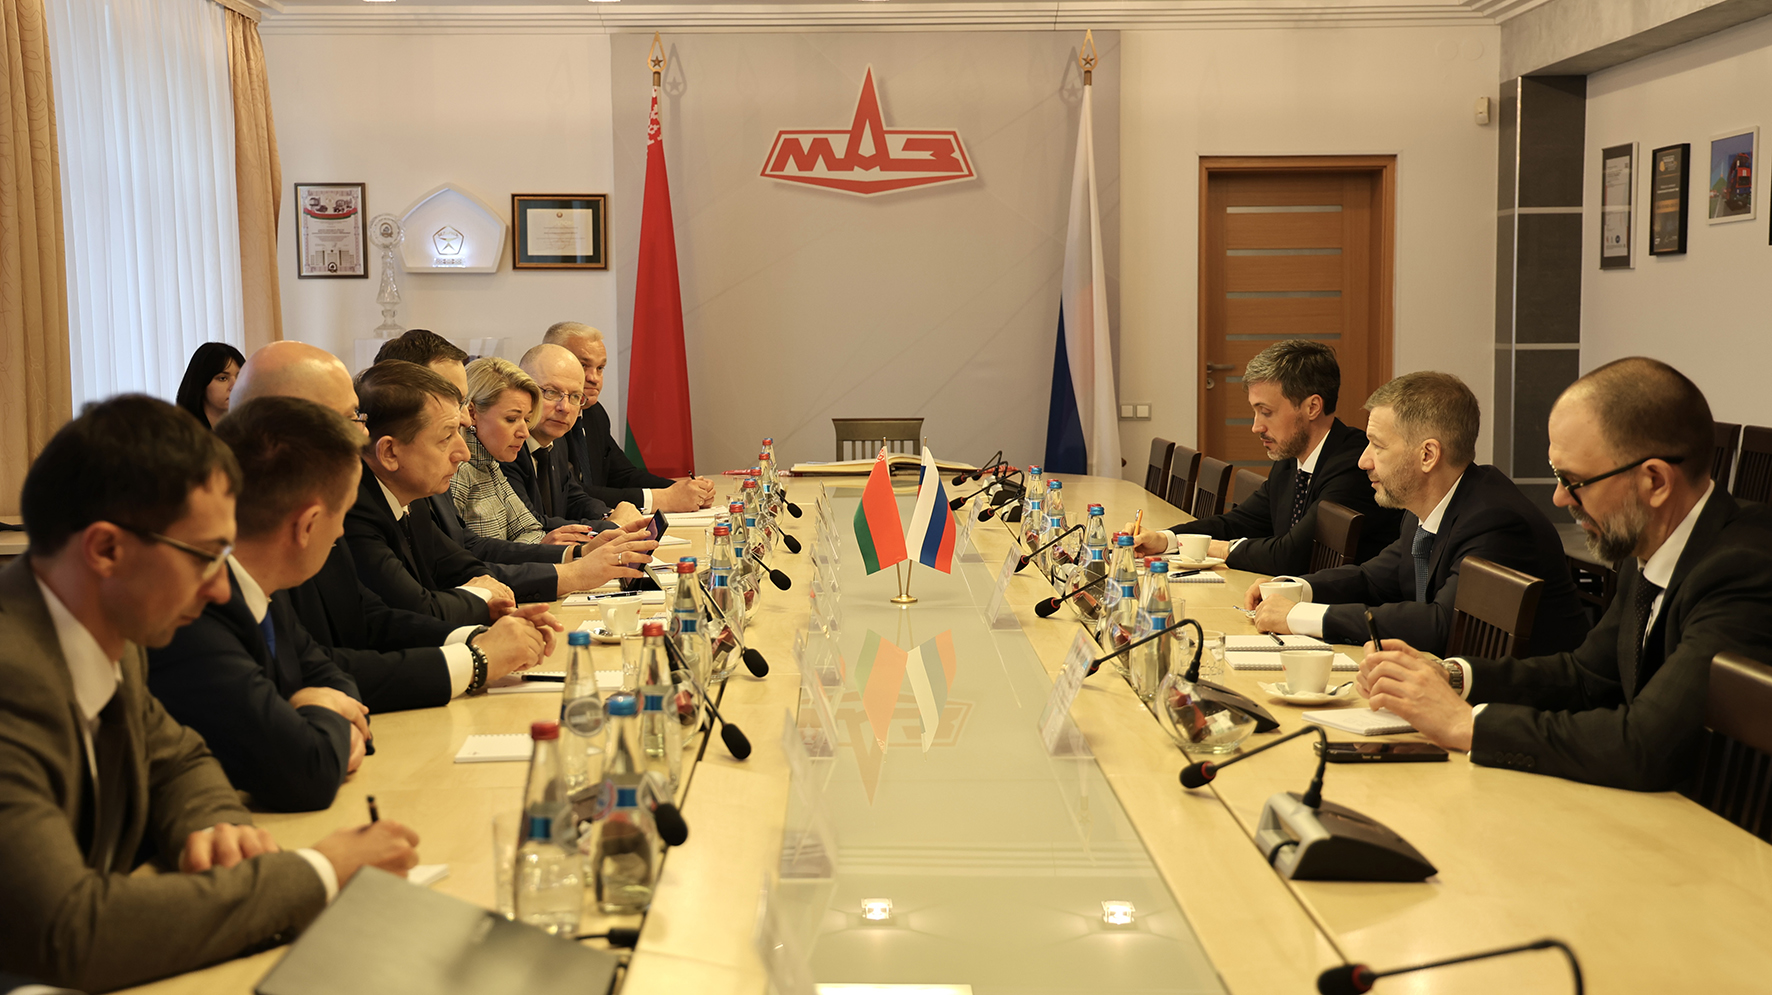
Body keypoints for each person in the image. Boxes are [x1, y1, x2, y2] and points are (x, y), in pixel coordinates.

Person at [0, 394, 417, 992]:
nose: (222, 588)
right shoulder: (14, 677)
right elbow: (68, 932)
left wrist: (213, 825)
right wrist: (322, 870)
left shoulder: (108, 634)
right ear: (106, 549)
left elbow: (179, 759)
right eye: (204, 556)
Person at [1359, 358, 1772, 791]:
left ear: (1655, 482)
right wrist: (1451, 677)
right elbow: (1585, 676)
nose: (1559, 498)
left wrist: (1467, 725)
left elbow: (1645, 744)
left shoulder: (1743, 570)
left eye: (1574, 480)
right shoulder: (1648, 542)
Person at [231, 342, 561, 712]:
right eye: (351, 419)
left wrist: (478, 640)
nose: (363, 436)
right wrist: (478, 659)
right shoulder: (322, 514)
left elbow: (365, 621)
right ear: (285, 429)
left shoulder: (332, 505)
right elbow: (306, 678)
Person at [1244, 371, 1589, 655]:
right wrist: (1293, 588)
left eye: (1378, 445)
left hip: (1512, 705)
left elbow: (1441, 625)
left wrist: (1301, 616)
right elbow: (1371, 580)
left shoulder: (1495, 521)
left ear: (1427, 455)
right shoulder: (1421, 509)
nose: (1363, 461)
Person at [146, 398, 379, 812]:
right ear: (308, 525)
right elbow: (306, 771)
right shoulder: (197, 611)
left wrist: (316, 707)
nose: (342, 532)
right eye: (342, 514)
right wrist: (317, 709)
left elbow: (329, 675)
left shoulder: (267, 588)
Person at [346, 361, 650, 624]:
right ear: (389, 452)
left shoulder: (414, 500)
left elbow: (462, 564)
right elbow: (418, 609)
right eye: (446, 436)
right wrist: (484, 606)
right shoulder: (358, 512)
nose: (463, 452)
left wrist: (575, 555)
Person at [1133, 340, 1400, 574]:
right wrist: (1166, 539)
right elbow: (1239, 522)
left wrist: (1217, 549)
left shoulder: (1354, 466)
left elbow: (1290, 556)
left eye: (1266, 412)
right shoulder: (1290, 461)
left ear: (1312, 407)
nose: (1256, 426)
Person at [543, 321, 715, 512]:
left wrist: (683, 490)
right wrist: (663, 499)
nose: (594, 378)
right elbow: (570, 494)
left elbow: (623, 475)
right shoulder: (548, 419)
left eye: (600, 368)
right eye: (584, 365)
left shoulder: (595, 413)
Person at [508, 344, 646, 530]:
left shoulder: (557, 441)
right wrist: (612, 525)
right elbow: (531, 525)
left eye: (574, 397)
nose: (564, 408)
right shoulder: (507, 447)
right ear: (524, 391)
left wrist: (607, 515)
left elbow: (573, 497)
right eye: (551, 392)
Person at [174, 341, 245, 429]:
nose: (235, 386)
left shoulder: (249, 428)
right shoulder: (181, 432)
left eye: (240, 376)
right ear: (201, 383)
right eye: (223, 378)